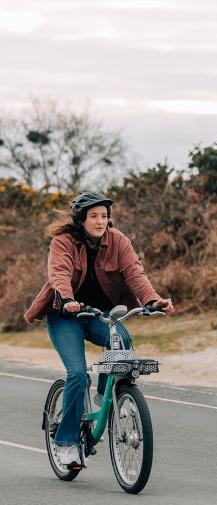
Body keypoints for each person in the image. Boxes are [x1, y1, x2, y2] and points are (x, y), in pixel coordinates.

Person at [25, 192, 174, 468]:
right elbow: (58, 272)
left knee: (124, 345)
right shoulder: (63, 242)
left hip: (99, 315)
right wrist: (67, 300)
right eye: (94, 216)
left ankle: (105, 393)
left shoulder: (118, 241)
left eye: (104, 216)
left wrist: (152, 301)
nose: (100, 221)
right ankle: (67, 442)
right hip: (66, 316)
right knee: (78, 374)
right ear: (80, 219)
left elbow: (135, 273)